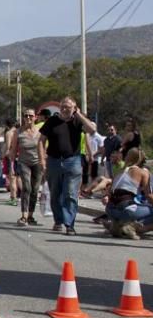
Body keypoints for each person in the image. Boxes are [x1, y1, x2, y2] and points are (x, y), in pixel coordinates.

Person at [38, 97, 96, 235]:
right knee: (55, 193)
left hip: (73, 161)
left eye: (68, 107)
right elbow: (41, 141)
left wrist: (79, 115)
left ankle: (69, 224)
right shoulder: (52, 121)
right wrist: (42, 160)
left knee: (70, 193)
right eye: (62, 106)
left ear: (74, 108)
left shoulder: (78, 121)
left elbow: (92, 130)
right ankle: (58, 221)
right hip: (53, 161)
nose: (64, 109)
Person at [104, 148, 152, 240]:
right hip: (126, 208)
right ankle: (134, 227)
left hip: (110, 209)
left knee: (132, 208)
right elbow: (148, 196)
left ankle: (116, 226)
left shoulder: (120, 171)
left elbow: (109, 191)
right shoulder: (143, 172)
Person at [10, 109, 44, 226]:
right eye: (26, 116)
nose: (28, 118)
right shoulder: (18, 132)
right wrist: (12, 166)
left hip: (37, 163)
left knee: (35, 190)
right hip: (23, 162)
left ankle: (30, 215)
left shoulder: (40, 132)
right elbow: (13, 149)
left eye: (30, 116)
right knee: (27, 188)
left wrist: (45, 163)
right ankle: (24, 215)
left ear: (35, 117)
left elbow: (44, 148)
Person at [2, 118, 20, 206]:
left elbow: (8, 146)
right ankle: (25, 197)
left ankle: (13, 198)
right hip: (20, 157)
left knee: (12, 179)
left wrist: (3, 156)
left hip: (11, 158)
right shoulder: (19, 132)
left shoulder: (9, 133)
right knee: (19, 179)